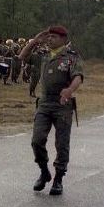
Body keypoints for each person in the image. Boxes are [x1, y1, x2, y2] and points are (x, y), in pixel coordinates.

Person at [19, 25, 84, 196]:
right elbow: (22, 57)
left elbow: (78, 77)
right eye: (48, 37)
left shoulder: (71, 57)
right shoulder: (43, 56)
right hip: (45, 104)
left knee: (62, 144)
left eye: (53, 37)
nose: (49, 40)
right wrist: (34, 42)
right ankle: (44, 171)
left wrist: (70, 90)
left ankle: (58, 179)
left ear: (63, 39)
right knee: (37, 140)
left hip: (63, 105)